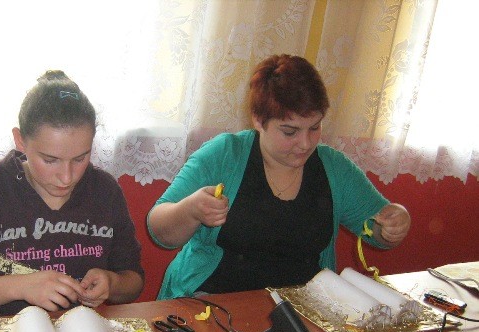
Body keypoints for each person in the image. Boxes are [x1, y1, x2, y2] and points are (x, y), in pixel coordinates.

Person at [147, 54, 410, 300]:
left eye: (314, 127)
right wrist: (191, 210)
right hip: (212, 302)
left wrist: (394, 224)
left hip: (302, 309)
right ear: (258, 120)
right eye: (289, 131)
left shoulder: (334, 168)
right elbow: (159, 229)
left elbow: (377, 229)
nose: (305, 143)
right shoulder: (224, 154)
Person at [0, 71, 144, 317]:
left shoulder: (105, 191)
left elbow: (133, 279)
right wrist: (20, 286)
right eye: (50, 160)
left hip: (78, 331)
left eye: (80, 158)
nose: (67, 177)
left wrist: (112, 283)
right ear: (20, 140)